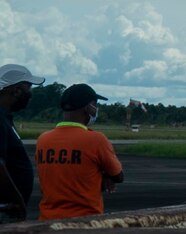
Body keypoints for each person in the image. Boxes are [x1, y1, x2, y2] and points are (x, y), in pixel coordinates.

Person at [35, 83, 123, 221]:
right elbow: (118, 176)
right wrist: (104, 176)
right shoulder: (96, 139)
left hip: (47, 220)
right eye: (95, 104)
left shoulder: (43, 139)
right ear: (89, 107)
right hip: (85, 221)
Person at [0, 63, 42, 222]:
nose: (30, 94)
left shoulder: (5, 119)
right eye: (28, 88)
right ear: (15, 90)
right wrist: (16, 200)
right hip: (6, 208)